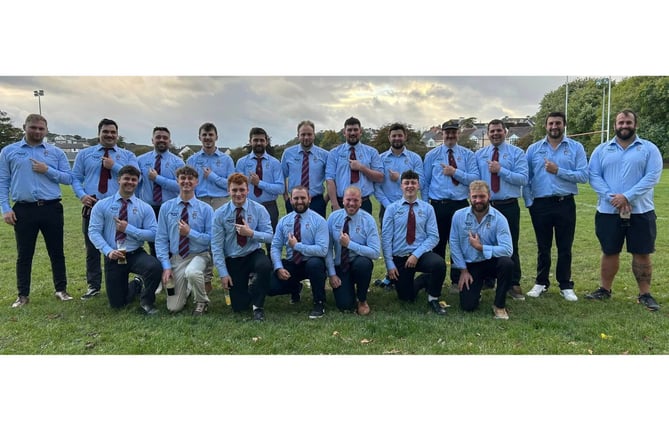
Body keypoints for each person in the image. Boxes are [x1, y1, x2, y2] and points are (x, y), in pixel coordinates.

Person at [586, 109, 663, 311]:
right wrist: (612, 198)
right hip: (608, 211)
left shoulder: (649, 149)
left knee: (642, 253)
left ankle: (645, 294)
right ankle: (605, 290)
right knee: (609, 251)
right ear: (615, 125)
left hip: (641, 211)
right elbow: (594, 176)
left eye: (628, 122)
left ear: (635, 124)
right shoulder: (601, 150)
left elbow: (653, 176)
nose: (624, 126)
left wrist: (627, 196)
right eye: (621, 122)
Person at [0, 114, 74, 308]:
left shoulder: (55, 153)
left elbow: (68, 178)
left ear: (46, 130)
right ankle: (22, 295)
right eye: (33, 127)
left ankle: (61, 290)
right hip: (23, 209)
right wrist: (5, 208)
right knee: (24, 254)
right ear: (25, 127)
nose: (37, 131)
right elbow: (3, 181)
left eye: (41, 128)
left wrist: (47, 170)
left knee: (56, 252)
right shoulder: (9, 151)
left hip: (51, 207)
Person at [523, 112, 588, 301]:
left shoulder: (575, 148)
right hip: (540, 204)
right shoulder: (534, 149)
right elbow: (526, 178)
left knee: (565, 246)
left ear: (564, 125)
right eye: (551, 123)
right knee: (543, 247)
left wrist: (558, 170)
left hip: (564, 202)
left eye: (558, 123)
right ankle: (541, 283)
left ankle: (565, 285)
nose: (554, 126)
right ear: (545, 126)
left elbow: (583, 175)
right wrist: (529, 202)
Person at [72, 118, 139, 300]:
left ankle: (120, 282)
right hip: (92, 206)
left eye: (113, 132)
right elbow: (76, 178)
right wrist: (81, 195)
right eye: (106, 132)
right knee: (92, 247)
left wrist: (115, 166)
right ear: (99, 133)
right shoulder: (85, 154)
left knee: (119, 245)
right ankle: (93, 285)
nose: (109, 135)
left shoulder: (127, 156)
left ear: (117, 134)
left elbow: (135, 177)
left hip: (119, 208)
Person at [88, 165, 162, 315]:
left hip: (135, 253)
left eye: (134, 179)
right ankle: (136, 284)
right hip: (114, 255)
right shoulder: (102, 205)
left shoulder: (144, 207)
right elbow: (94, 231)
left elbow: (154, 234)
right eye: (126, 179)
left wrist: (128, 229)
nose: (130, 182)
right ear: (118, 180)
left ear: (138, 182)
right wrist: (108, 251)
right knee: (117, 305)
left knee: (154, 267)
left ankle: (147, 301)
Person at [422, 119, 479, 291]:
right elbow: (425, 182)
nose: (450, 135)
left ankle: (456, 280)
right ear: (442, 133)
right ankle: (435, 279)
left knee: (459, 242)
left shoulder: (468, 155)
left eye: (454, 132)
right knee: (437, 243)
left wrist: (455, 172)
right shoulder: (431, 155)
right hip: (437, 205)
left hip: (459, 205)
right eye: (447, 132)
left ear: (458, 133)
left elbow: (475, 178)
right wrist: (425, 206)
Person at [475, 119, 528, 300]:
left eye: (499, 130)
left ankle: (513, 283)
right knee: (485, 241)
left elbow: (523, 179)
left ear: (505, 131)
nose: (495, 134)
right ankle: (487, 279)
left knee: (510, 244)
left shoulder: (517, 153)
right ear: (488, 133)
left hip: (508, 204)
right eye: (492, 131)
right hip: (486, 207)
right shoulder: (480, 154)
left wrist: (501, 170)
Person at [381, 170, 447, 315]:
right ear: (401, 186)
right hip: (400, 256)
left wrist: (416, 254)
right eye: (406, 183)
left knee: (439, 264)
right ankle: (423, 280)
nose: (410, 186)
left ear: (418, 186)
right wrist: (389, 264)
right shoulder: (392, 209)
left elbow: (434, 237)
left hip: (420, 254)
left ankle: (433, 298)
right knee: (406, 298)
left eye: (413, 183)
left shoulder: (427, 208)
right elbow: (386, 238)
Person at [211, 173, 273, 321]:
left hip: (253, 253)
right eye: (234, 190)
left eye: (241, 189)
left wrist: (251, 233)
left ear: (248, 190)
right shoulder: (220, 214)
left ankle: (258, 307)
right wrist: (223, 273)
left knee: (264, 265)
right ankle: (251, 287)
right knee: (239, 307)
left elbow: (270, 236)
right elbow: (216, 245)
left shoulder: (258, 209)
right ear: (228, 191)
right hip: (233, 258)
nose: (238, 194)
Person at [449, 180, 513, 319]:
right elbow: (454, 244)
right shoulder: (458, 216)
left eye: (482, 196)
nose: (478, 200)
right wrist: (463, 270)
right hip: (471, 265)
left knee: (507, 263)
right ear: (469, 197)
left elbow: (508, 250)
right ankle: (476, 292)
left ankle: (499, 305)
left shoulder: (499, 218)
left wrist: (481, 247)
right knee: (468, 306)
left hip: (491, 262)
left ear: (489, 196)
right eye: (475, 197)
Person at [155, 166, 214, 315]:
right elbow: (161, 239)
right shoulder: (166, 207)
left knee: (193, 272)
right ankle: (187, 288)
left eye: (190, 179)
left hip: (199, 255)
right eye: (183, 178)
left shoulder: (206, 209)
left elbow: (210, 239)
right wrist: (166, 266)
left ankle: (201, 302)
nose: (186, 182)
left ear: (196, 182)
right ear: (177, 181)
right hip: (177, 258)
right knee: (173, 307)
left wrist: (190, 233)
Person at [186, 122, 235, 294]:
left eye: (210, 135)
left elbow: (230, 184)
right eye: (204, 135)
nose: (207, 138)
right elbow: (188, 182)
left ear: (216, 137)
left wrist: (212, 176)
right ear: (199, 137)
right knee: (203, 241)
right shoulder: (192, 160)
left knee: (222, 239)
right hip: (199, 202)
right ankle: (206, 279)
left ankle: (228, 275)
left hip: (221, 201)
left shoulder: (226, 159)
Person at [269, 186, 329, 319]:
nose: (299, 201)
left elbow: (323, 250)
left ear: (309, 199)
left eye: (303, 198)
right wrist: (278, 267)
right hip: (292, 263)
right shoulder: (284, 221)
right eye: (296, 198)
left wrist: (298, 246)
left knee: (315, 264)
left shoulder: (319, 221)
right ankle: (295, 287)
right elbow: (275, 246)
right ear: (290, 200)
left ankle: (319, 303)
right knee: (271, 286)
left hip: (311, 263)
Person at [326, 186, 380, 315]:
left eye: (355, 200)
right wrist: (332, 273)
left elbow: (375, 252)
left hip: (358, 263)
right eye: (348, 199)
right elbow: (327, 249)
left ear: (361, 202)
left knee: (364, 264)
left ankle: (362, 299)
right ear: (343, 200)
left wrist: (350, 244)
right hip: (340, 265)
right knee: (345, 306)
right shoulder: (333, 218)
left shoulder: (368, 220)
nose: (351, 203)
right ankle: (348, 290)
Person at [136, 126, 184, 258]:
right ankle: (157, 273)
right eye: (158, 137)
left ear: (169, 141)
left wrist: (157, 179)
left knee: (171, 243)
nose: (161, 140)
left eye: (165, 138)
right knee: (153, 243)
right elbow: (136, 185)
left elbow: (181, 186)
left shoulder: (177, 162)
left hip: (170, 208)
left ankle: (170, 272)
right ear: (152, 140)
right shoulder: (141, 160)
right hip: (149, 208)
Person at [236, 127, 284, 253]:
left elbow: (280, 188)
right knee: (247, 239)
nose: (258, 143)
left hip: (269, 207)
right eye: (255, 140)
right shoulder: (242, 162)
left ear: (266, 142)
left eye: (261, 140)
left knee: (271, 241)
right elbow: (237, 187)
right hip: (248, 207)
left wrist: (259, 183)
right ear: (250, 141)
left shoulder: (275, 163)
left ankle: (273, 268)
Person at [326, 116, 383, 214]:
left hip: (363, 203)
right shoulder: (334, 153)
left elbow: (380, 177)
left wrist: (362, 168)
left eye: (355, 130)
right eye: (349, 130)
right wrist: (335, 205)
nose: (352, 133)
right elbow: (330, 180)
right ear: (344, 132)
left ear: (360, 131)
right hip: (341, 203)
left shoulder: (372, 152)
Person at [281, 120, 329, 217]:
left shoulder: (325, 155)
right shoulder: (288, 153)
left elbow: (331, 179)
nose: (306, 137)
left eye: (309, 134)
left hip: (317, 201)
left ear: (314, 135)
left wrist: (325, 200)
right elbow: (282, 176)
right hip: (295, 201)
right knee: (294, 230)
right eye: (303, 134)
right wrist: (286, 198)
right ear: (298, 135)